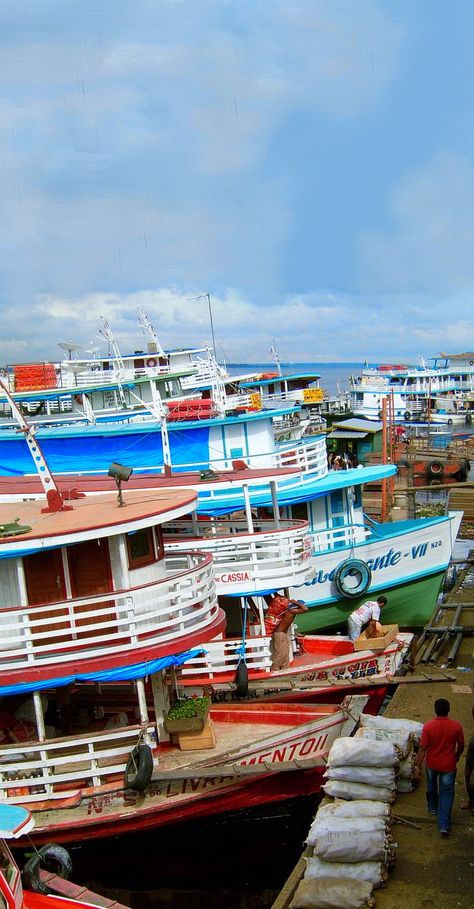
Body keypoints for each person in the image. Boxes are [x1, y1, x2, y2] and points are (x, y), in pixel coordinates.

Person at [413, 698, 465, 835]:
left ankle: (432, 807)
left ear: (435, 710)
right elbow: (461, 745)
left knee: (431, 787)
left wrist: (417, 766)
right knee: (447, 793)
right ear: (448, 710)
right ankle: (444, 825)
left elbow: (423, 748)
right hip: (448, 764)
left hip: (432, 764)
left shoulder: (428, 726)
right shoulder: (456, 726)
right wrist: (457, 756)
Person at [264, 592, 308, 671]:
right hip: (280, 634)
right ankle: (275, 669)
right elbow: (305, 609)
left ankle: (285, 668)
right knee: (280, 652)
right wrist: (295, 602)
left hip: (283, 634)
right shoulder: (291, 611)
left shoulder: (291, 611)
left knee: (285, 652)